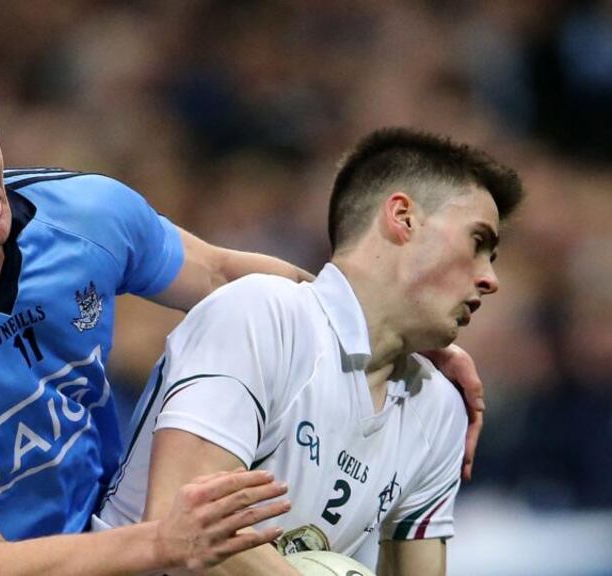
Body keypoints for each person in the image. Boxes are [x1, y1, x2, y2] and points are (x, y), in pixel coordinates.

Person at [0, 37, 487, 575]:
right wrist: (161, 541)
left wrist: (395, 333)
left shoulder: (84, 216)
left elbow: (222, 274)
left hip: (100, 553)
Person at [97, 128, 524, 576]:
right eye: (478, 244)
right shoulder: (262, 315)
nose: (490, 279)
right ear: (403, 217)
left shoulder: (438, 409)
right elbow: (180, 533)